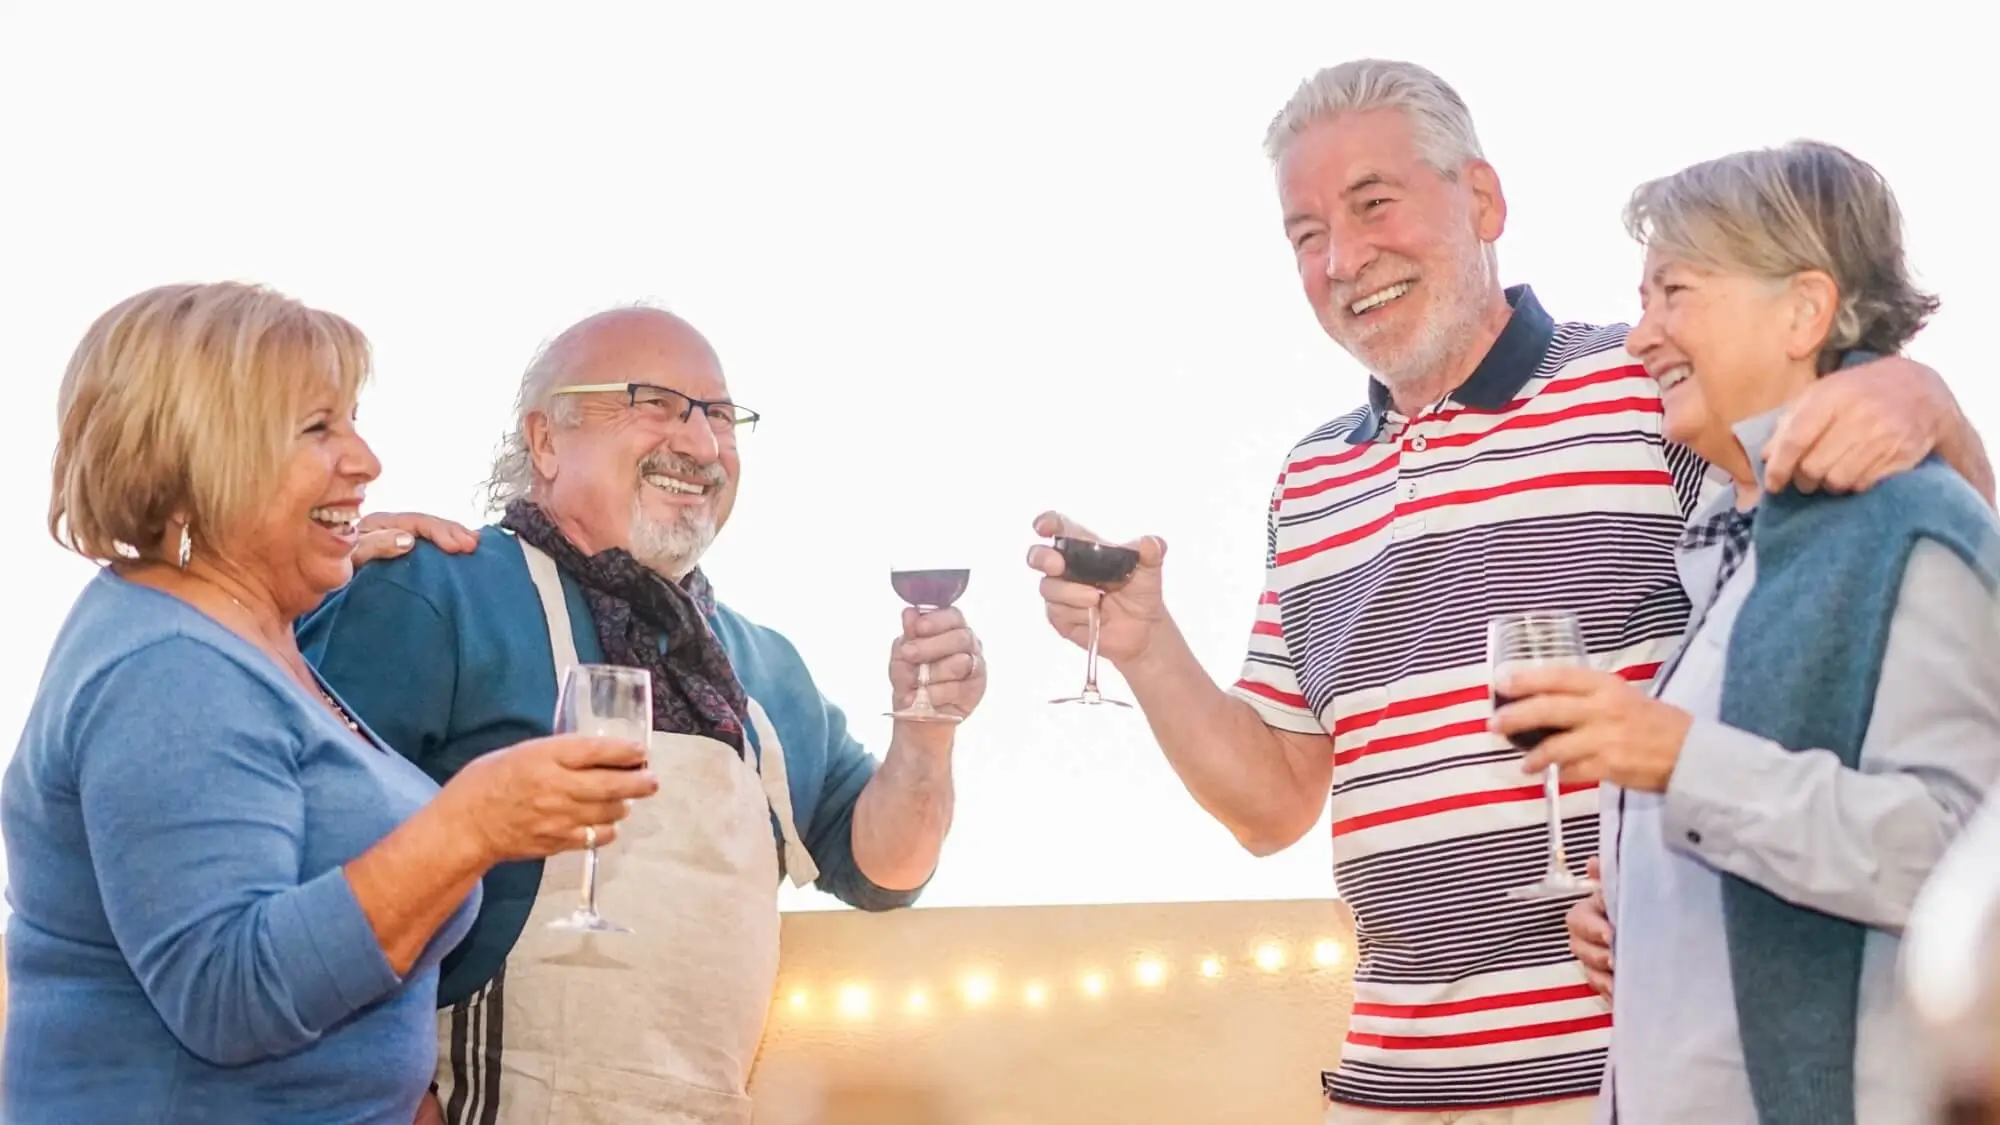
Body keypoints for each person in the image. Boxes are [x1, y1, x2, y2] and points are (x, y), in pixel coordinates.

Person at [1027, 59, 1993, 1125]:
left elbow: (1864, 538)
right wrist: (1144, 644)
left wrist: (1919, 394)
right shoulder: (1309, 481)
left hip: (1611, 1074)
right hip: (1388, 1084)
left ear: (1480, 199)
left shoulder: (1642, 390)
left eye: (1372, 204)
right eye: (1305, 234)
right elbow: (1270, 806)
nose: (1344, 258)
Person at [297, 304, 982, 1124]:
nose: (698, 443)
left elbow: (884, 868)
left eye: (720, 415)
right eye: (653, 402)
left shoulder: (761, 666)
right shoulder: (438, 591)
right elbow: (310, 865)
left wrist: (927, 730)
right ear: (545, 441)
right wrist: (397, 1099)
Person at [1, 282, 653, 1124]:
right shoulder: (168, 667)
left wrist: (306, 561)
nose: (366, 459)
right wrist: (471, 825)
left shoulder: (243, 636)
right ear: (204, 454)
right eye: (319, 428)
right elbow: (230, 995)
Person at [1516, 141, 2000, 1125]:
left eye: (1672, 293)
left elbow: (1958, 868)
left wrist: (1676, 760)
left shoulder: (1906, 529)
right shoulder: (1735, 545)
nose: (1635, 338)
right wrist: (1640, 912)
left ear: (1802, 311)